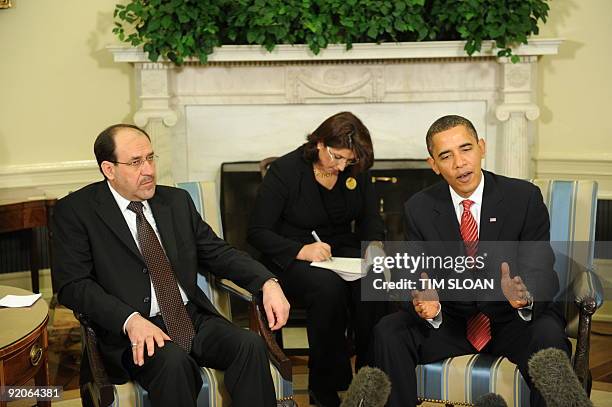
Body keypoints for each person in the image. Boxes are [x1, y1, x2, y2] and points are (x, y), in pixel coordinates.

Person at [52, 124, 290, 407]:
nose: (149, 170)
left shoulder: (176, 202)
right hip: (132, 330)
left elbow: (218, 253)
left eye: (151, 158)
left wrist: (267, 282)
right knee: (174, 363)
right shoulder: (76, 211)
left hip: (189, 317)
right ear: (109, 169)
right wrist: (129, 320)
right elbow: (73, 285)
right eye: (136, 162)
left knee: (249, 345)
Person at [372, 115, 570, 407]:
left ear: (481, 147)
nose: (459, 163)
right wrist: (423, 303)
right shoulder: (419, 207)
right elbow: (411, 272)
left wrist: (525, 295)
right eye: (446, 156)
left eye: (466, 149)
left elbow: (542, 268)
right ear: (434, 165)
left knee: (548, 332)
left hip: (511, 319)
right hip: (450, 320)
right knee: (388, 331)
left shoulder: (522, 197)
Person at [248, 112, 387, 407]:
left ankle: (368, 381)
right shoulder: (285, 171)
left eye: (348, 161)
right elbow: (257, 232)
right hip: (291, 256)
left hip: (340, 254)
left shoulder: (354, 168)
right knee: (327, 288)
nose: (341, 167)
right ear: (320, 143)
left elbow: (370, 218)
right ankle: (324, 386)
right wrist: (301, 250)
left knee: (374, 282)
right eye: (336, 157)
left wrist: (374, 246)